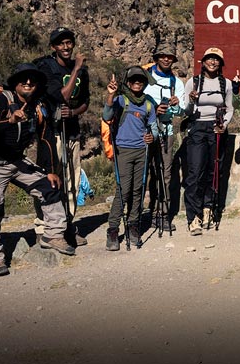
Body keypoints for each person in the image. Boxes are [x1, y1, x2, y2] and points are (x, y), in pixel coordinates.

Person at [0, 63, 75, 276]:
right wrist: (10, 120)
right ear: (15, 83)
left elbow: (45, 138)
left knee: (49, 186)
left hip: (18, 161)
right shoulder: (4, 98)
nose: (28, 83)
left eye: (32, 79)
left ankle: (53, 235)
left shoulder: (38, 106)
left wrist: (50, 169)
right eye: (24, 79)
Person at [33, 27, 90, 247]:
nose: (66, 47)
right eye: (61, 43)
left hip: (72, 132)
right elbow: (62, 95)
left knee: (72, 181)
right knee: (50, 180)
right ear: (53, 47)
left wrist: (74, 112)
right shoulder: (47, 68)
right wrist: (75, 68)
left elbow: (84, 100)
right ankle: (43, 227)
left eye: (69, 42)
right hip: (51, 133)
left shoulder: (83, 72)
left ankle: (67, 226)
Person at [179, 48, 237, 236]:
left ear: (220, 63)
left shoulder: (226, 84)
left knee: (214, 171)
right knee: (195, 172)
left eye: (216, 59)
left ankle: (208, 208)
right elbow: (185, 111)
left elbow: (229, 108)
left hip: (217, 129)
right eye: (209, 59)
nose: (212, 62)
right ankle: (193, 217)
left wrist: (224, 125)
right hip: (197, 129)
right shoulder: (193, 83)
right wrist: (190, 101)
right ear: (203, 62)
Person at [103, 66, 158, 250]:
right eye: (134, 79)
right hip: (123, 151)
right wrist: (110, 95)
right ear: (128, 82)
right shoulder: (121, 99)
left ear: (144, 83)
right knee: (123, 190)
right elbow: (106, 115)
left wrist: (152, 137)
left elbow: (154, 127)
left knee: (137, 189)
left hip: (142, 150)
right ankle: (112, 229)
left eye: (140, 80)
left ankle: (134, 225)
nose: (137, 83)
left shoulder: (148, 103)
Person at [144, 43, 186, 232]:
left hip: (166, 132)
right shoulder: (143, 77)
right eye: (163, 56)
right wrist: (153, 109)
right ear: (156, 57)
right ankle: (137, 214)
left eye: (170, 56)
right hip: (144, 132)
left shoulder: (176, 82)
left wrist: (175, 105)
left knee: (165, 174)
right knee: (143, 173)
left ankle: (162, 213)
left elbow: (181, 110)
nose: (166, 59)